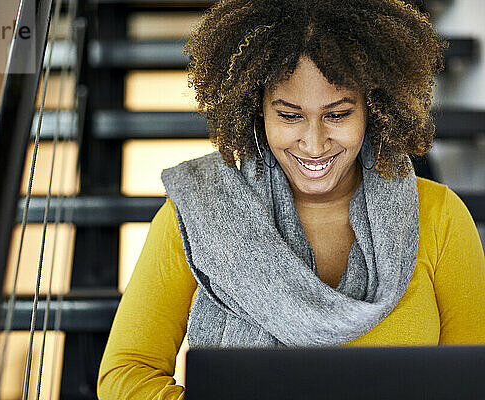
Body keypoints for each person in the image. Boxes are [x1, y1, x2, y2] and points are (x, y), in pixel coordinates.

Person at [97, 0, 485, 398]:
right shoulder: (199, 211)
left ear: (375, 107)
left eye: (337, 115)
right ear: (257, 110)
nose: (314, 144)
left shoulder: (439, 218)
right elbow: (126, 375)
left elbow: (471, 383)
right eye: (288, 115)